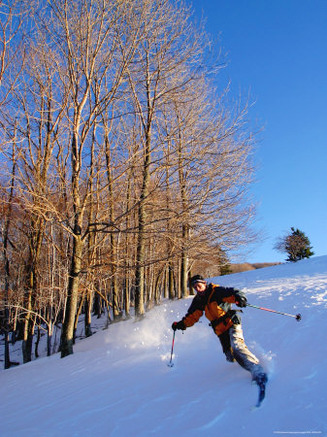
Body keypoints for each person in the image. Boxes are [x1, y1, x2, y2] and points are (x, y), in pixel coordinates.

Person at [172, 274, 267, 389]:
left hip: (231, 322)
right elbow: (192, 316)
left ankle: (257, 370)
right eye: (195, 287)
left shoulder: (216, 291)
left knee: (237, 347)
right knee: (230, 356)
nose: (197, 289)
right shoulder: (198, 300)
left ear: (204, 284)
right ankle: (249, 361)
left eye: (199, 286)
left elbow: (233, 292)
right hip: (220, 330)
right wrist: (181, 325)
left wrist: (239, 298)